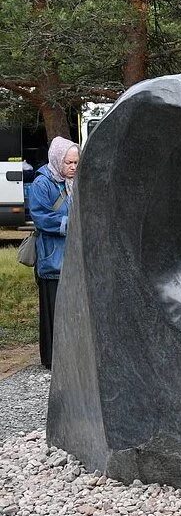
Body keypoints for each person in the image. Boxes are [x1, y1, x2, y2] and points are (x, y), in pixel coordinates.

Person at [27, 136, 79, 370]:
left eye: (76, 162)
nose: (73, 167)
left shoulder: (74, 182)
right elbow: (41, 218)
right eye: (69, 163)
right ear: (58, 160)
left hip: (72, 258)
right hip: (52, 259)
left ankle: (70, 356)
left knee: (71, 310)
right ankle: (51, 359)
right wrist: (71, 224)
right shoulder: (42, 183)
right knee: (53, 311)